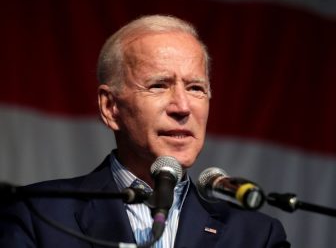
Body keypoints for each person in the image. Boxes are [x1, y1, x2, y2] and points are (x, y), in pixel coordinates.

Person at [0, 15, 290, 247]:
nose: (182, 107)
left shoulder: (256, 236)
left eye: (195, 88)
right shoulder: (38, 214)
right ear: (111, 107)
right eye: (159, 85)